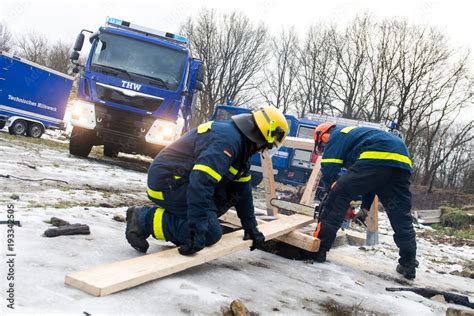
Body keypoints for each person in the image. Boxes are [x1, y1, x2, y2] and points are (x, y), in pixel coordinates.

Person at [125, 106, 289, 256]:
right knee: (210, 232)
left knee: (223, 200)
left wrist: (251, 227)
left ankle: (180, 223)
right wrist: (197, 228)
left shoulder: (242, 146)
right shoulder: (227, 142)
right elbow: (201, 184)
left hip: (183, 182)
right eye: (269, 145)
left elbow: (243, 191)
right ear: (264, 135)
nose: (266, 149)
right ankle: (142, 219)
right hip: (166, 184)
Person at [311, 123, 418, 279]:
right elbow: (374, 180)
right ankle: (408, 263)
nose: (323, 149)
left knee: (337, 195)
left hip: (378, 155)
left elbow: (329, 168)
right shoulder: (358, 136)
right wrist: (365, 208)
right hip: (402, 162)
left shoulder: (337, 135)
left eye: (322, 146)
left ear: (323, 136)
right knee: (401, 216)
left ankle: (319, 248)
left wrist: (334, 195)